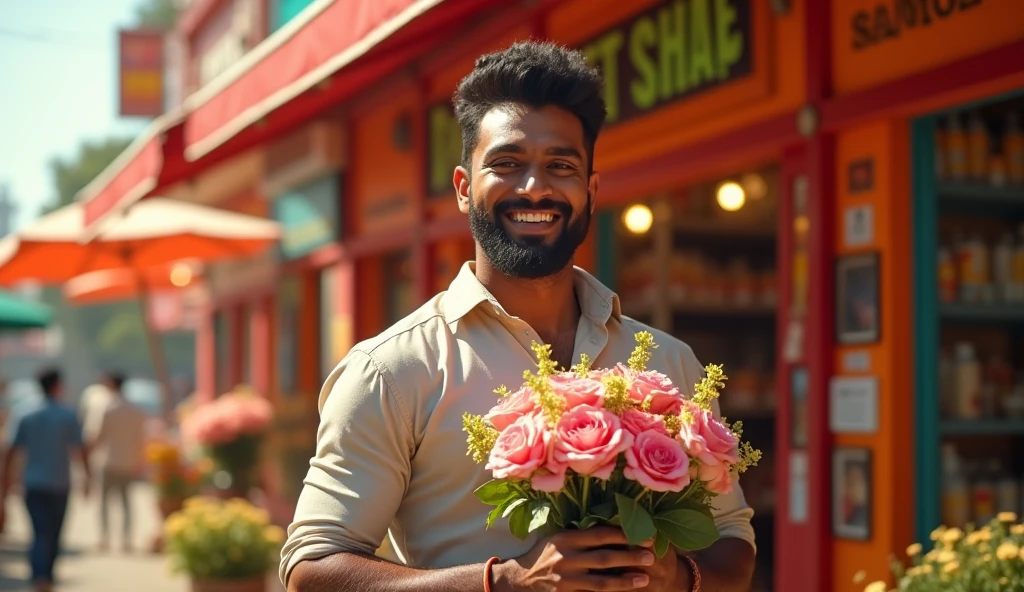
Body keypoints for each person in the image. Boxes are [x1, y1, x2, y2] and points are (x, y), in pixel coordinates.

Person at [281, 41, 756, 592]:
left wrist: (678, 577)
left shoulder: (672, 363)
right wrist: (505, 582)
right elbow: (312, 569)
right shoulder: (392, 371)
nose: (535, 187)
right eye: (506, 164)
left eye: (561, 165)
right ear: (464, 189)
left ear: (591, 192)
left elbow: (731, 538)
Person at [0, 368, 90, 592]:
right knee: (53, 532)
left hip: (32, 482)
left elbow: (10, 451)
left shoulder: (24, 413)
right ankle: (46, 575)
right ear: (57, 386)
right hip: (59, 483)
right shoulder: (67, 414)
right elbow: (80, 450)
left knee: (39, 531)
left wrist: (6, 481)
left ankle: (40, 576)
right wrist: (87, 477)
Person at [89, 371, 148, 553]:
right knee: (126, 502)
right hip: (129, 461)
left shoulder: (106, 407)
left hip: (107, 460)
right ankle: (126, 539)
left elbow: (96, 435)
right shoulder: (136, 409)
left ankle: (104, 537)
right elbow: (141, 439)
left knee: (104, 502)